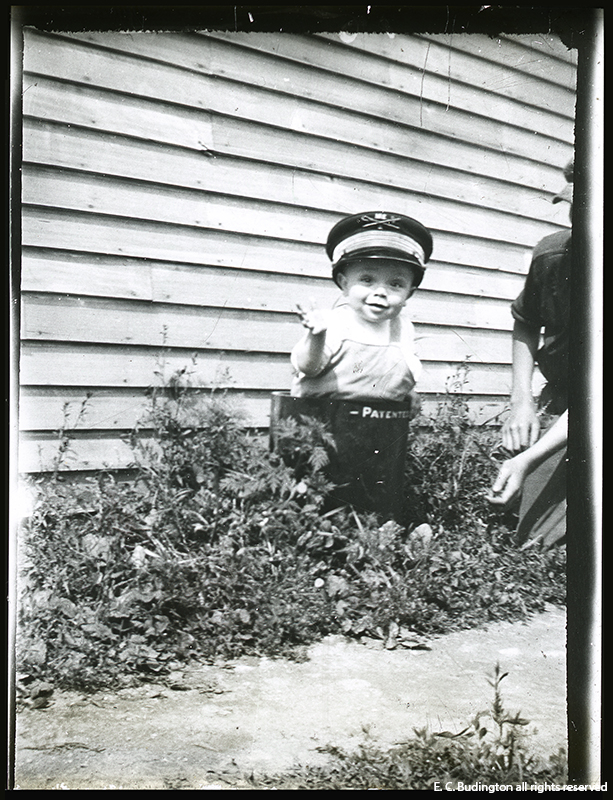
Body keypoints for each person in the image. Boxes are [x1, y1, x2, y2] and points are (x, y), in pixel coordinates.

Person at [488, 160, 573, 548]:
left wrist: (527, 460)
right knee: (530, 536)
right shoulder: (553, 256)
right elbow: (526, 321)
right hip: (565, 400)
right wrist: (520, 401)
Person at [290, 210, 433, 413]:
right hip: (318, 428)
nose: (381, 292)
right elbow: (308, 367)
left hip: (378, 432)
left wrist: (407, 392)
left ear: (409, 294)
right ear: (344, 284)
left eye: (395, 284)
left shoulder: (403, 329)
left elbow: (395, 377)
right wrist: (317, 336)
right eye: (367, 280)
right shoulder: (332, 323)